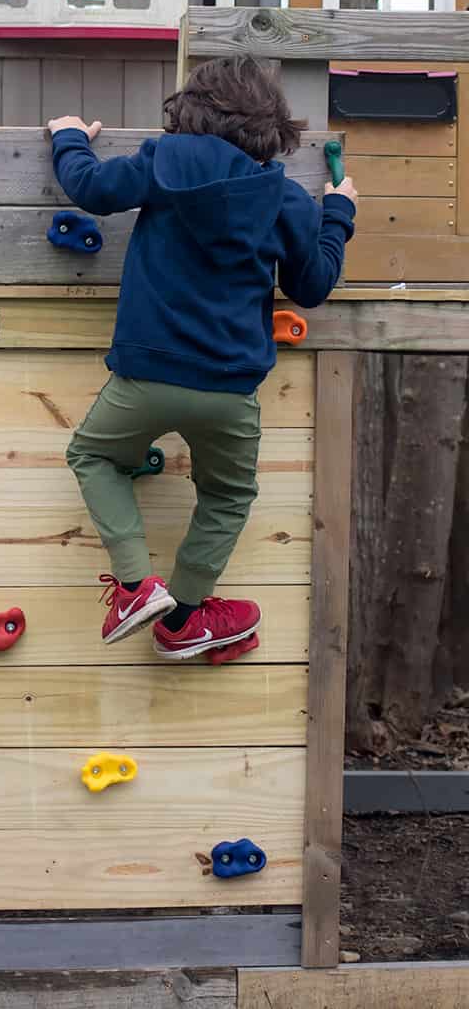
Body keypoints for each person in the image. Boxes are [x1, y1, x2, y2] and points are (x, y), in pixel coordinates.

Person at [46, 55, 357, 660]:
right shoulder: (285, 198)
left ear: (192, 107)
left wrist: (68, 139)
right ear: (272, 127)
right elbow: (313, 285)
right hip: (229, 388)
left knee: (92, 454)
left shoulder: (167, 160)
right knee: (227, 495)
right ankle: (184, 618)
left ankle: (137, 586)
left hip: (147, 373)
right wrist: (338, 216)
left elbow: (90, 188)